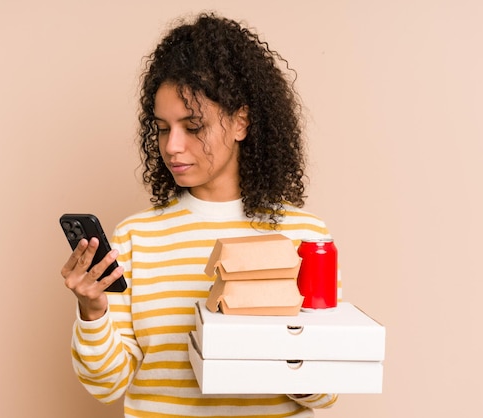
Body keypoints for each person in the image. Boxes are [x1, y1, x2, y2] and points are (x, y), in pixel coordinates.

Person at [61, 12, 339, 417]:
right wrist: (93, 311)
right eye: (161, 128)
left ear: (241, 121)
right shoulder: (136, 238)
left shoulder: (306, 238)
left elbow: (326, 392)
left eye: (192, 126)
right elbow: (107, 385)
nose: (172, 146)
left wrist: (260, 332)